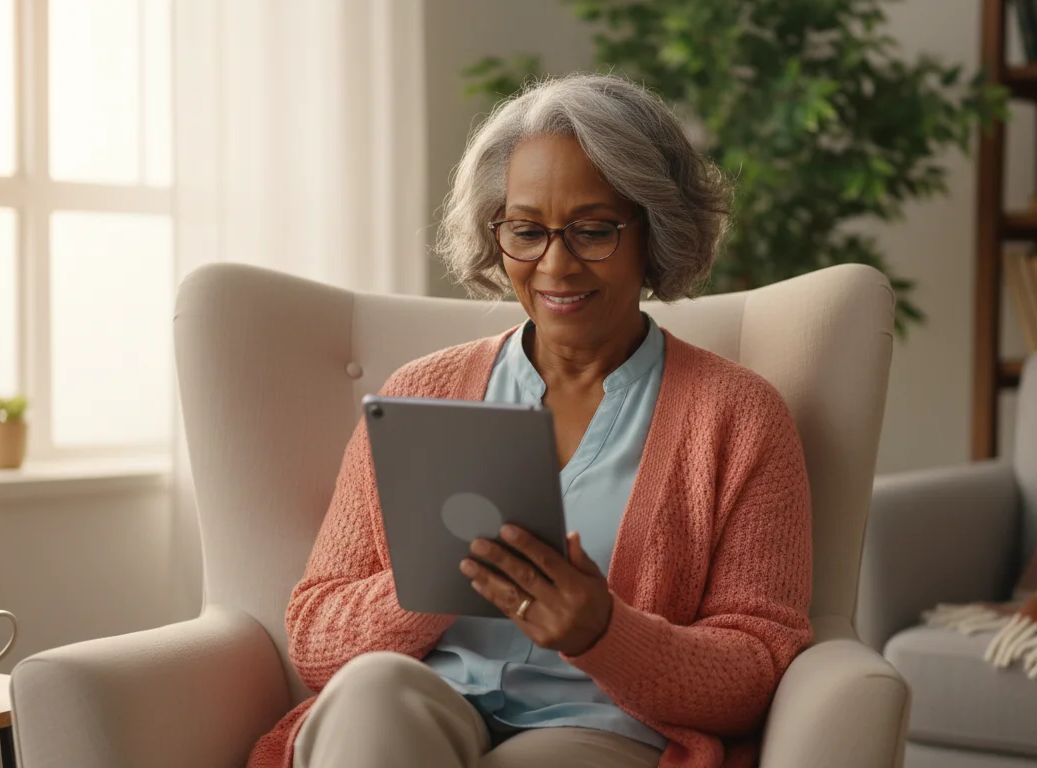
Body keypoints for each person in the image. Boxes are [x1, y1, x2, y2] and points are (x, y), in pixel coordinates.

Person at [246, 73, 813, 768]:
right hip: (427, 713)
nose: (556, 264)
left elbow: (758, 668)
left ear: (655, 229)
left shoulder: (737, 417)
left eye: (593, 230)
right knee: (370, 692)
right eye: (526, 231)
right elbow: (313, 637)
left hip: (599, 733)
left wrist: (605, 630)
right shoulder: (424, 394)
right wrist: (429, 584)